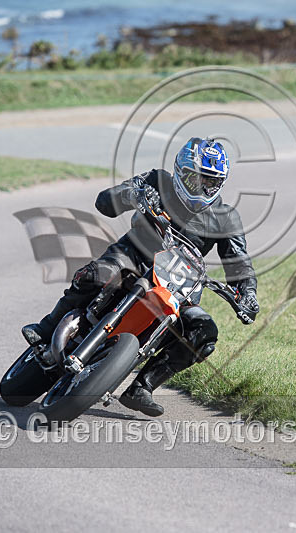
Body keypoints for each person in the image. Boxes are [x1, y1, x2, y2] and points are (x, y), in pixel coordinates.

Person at [22, 137, 260, 416]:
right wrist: (132, 194)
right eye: (197, 179)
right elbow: (104, 202)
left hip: (180, 285)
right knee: (97, 275)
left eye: (211, 182)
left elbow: (240, 264)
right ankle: (47, 327)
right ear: (181, 171)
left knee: (204, 333)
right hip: (132, 257)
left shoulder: (226, 217)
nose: (203, 187)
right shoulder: (158, 180)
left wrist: (248, 293)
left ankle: (142, 387)